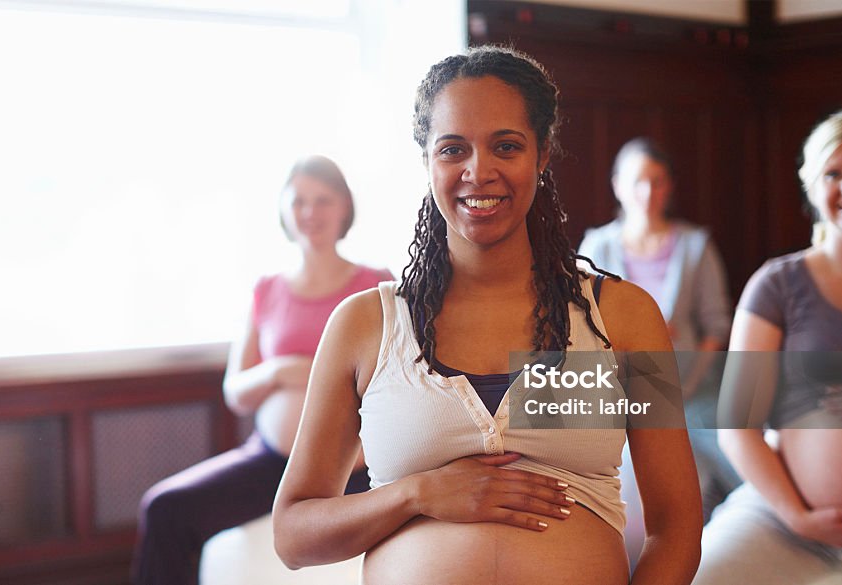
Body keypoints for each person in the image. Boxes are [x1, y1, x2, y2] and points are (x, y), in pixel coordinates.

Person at [272, 46, 702, 585]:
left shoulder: (621, 317)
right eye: (453, 149)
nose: (479, 171)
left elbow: (676, 525)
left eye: (506, 146)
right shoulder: (366, 325)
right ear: (426, 160)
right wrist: (417, 493)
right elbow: (293, 535)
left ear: (543, 153)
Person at [132, 155, 393, 585]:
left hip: (351, 470)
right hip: (271, 461)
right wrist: (279, 371)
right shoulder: (267, 290)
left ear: (345, 207)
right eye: (299, 202)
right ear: (283, 211)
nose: (310, 213)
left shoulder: (375, 285)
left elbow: (394, 382)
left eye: (323, 200)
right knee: (164, 508)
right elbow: (236, 392)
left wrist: (310, 375)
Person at [695, 110, 842, 584]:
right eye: (833, 173)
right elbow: (738, 424)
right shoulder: (776, 285)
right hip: (782, 524)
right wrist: (797, 516)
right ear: (813, 187)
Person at [578, 139, 740, 543]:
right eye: (637, 182)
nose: (647, 193)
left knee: (724, 470)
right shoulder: (597, 246)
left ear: (669, 187)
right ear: (618, 186)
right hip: (616, 392)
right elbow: (577, 327)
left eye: (657, 182)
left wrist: (684, 387)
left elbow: (716, 326)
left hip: (693, 390)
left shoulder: (695, 246)